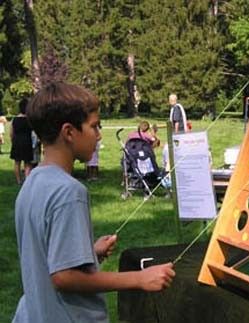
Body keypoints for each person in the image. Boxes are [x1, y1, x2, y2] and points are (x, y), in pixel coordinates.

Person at [13, 82, 175, 323]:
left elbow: (45, 254)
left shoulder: (32, 181)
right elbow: (64, 277)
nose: (99, 136)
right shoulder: (69, 192)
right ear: (69, 132)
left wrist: (89, 252)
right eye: (94, 126)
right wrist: (139, 278)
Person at [10, 98, 34, 184]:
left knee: (17, 162)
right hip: (27, 141)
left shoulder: (14, 119)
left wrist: (12, 140)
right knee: (27, 162)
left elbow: (11, 132)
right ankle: (27, 180)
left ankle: (18, 180)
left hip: (17, 141)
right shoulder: (30, 120)